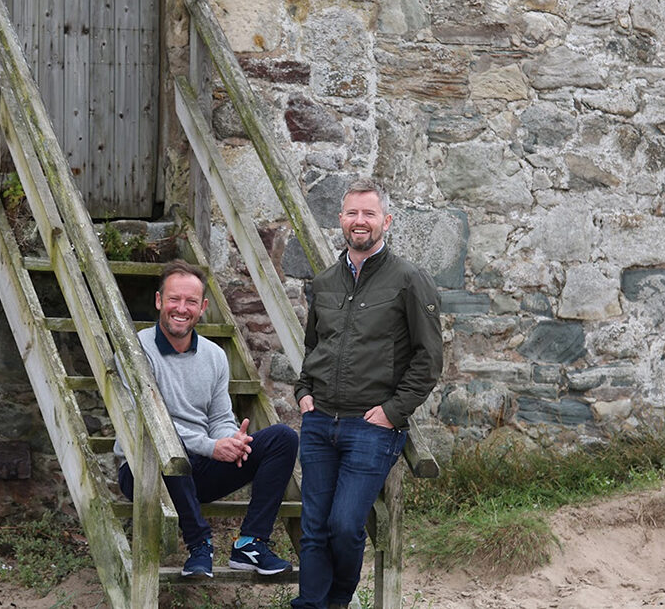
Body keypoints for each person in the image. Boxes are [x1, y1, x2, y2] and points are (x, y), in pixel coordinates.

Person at [291, 179, 443, 609]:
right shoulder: (323, 283)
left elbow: (429, 359)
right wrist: (304, 391)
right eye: (352, 213)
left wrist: (394, 412)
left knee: (344, 525)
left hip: (371, 427)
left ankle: (337, 602)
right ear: (340, 220)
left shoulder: (409, 280)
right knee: (314, 525)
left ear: (386, 221)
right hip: (320, 423)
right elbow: (313, 347)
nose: (360, 221)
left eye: (369, 214)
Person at [116, 259, 298, 578]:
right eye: (174, 299)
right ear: (159, 301)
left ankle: (250, 544)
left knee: (283, 438)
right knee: (171, 450)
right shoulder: (135, 350)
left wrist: (229, 440)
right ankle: (199, 545)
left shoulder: (214, 356)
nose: (181, 308)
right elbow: (147, 424)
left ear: (202, 308)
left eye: (190, 302)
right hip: (143, 470)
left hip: (198, 467)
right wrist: (210, 446)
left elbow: (219, 418)